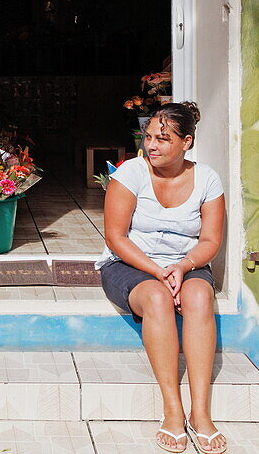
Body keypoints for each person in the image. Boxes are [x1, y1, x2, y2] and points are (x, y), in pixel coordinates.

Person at [97, 101, 227, 454]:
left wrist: (183, 267)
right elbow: (116, 238)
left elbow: (211, 241)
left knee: (200, 297)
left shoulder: (207, 179)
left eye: (163, 139)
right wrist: (157, 271)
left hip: (187, 263)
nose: (151, 145)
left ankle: (201, 413)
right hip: (130, 265)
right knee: (156, 297)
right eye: (149, 136)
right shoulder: (130, 174)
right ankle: (173, 410)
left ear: (186, 142)